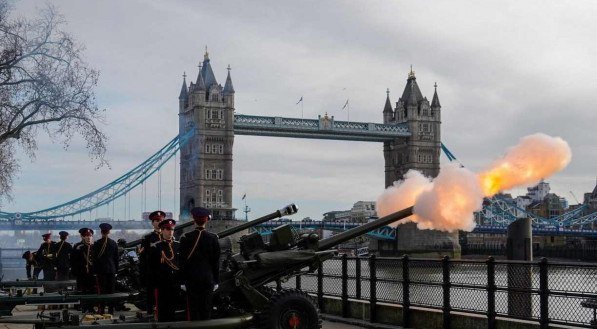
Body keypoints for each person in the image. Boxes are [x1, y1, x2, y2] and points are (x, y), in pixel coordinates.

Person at [180, 207, 221, 321]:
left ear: (193, 220)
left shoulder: (185, 238)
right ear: (207, 220)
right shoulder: (213, 238)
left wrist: (182, 281)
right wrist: (216, 281)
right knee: (206, 310)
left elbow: (182, 262)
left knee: (193, 311)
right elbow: (216, 262)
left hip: (191, 280)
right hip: (207, 280)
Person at [149, 219, 180, 322]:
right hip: (162, 284)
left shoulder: (178, 246)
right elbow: (152, 268)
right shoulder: (156, 247)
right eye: (167, 229)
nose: (170, 232)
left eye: (172, 229)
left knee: (175, 311)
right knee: (163, 312)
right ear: (162, 230)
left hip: (176, 283)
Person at [139, 210, 165, 315]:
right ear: (152, 223)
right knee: (150, 295)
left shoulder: (168, 236)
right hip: (152, 271)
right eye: (156, 221)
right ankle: (150, 314)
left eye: (160, 221)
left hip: (164, 271)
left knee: (164, 294)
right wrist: (143, 274)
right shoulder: (147, 238)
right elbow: (143, 257)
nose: (158, 223)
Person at [92, 223, 119, 314]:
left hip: (100, 270)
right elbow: (116, 258)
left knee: (102, 291)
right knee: (111, 291)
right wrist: (116, 270)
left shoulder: (97, 243)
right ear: (109, 232)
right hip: (111, 270)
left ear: (101, 232)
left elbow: (94, 259)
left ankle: (102, 310)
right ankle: (111, 310)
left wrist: (94, 271)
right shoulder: (113, 243)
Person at [71, 228, 95, 312]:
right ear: (83, 237)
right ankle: (83, 307)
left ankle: (91, 307)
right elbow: (73, 261)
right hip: (81, 273)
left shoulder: (94, 247)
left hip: (92, 273)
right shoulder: (78, 247)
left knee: (92, 290)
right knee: (82, 290)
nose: (89, 238)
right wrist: (76, 272)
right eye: (86, 236)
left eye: (90, 236)